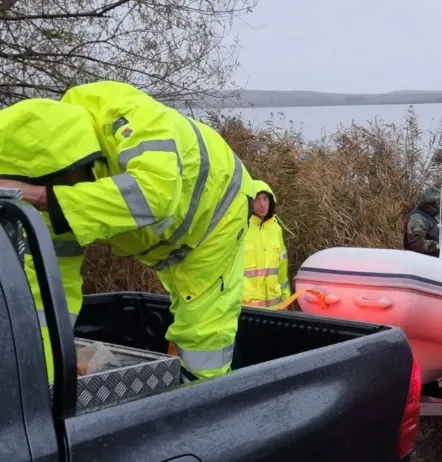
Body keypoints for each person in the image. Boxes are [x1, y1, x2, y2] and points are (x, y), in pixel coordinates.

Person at [0, 81, 254, 383]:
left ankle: (207, 405)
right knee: (187, 316)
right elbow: (48, 295)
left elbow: (155, 196)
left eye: (58, 186)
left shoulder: (128, 114)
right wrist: (40, 386)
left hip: (218, 213)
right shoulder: (59, 177)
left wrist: (42, 196)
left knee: (203, 332)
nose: (63, 193)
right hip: (166, 241)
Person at [242, 180, 291, 310]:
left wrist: (286, 302)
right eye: (257, 199)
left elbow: (282, 269)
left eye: (265, 199)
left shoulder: (276, 229)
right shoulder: (240, 228)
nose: (262, 204)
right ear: (249, 201)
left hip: (275, 309)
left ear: (271, 201)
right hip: (246, 310)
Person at [403, 186, 441, 257]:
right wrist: (437, 246)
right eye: (438, 203)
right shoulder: (418, 218)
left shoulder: (430, 217)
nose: (440, 206)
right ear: (433, 204)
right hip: (420, 262)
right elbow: (416, 242)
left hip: (430, 261)